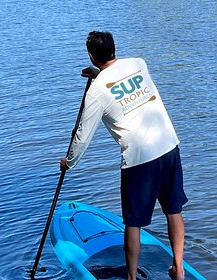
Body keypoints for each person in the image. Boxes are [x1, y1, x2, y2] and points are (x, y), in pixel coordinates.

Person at [60, 31, 189, 280]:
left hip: (140, 159)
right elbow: (119, 79)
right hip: (169, 145)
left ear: (90, 55)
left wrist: (70, 162)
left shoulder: (96, 91)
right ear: (114, 49)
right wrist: (100, 75)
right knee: (174, 210)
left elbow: (83, 135)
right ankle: (179, 268)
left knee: (133, 222)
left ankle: (131, 277)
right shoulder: (138, 63)